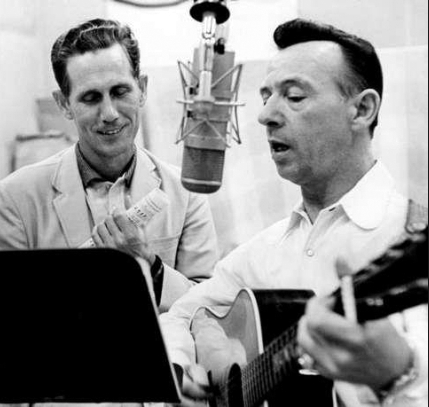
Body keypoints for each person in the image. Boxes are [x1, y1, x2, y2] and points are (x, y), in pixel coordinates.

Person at [160, 18, 428, 406]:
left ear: (362, 109)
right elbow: (178, 316)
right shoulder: (260, 254)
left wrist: (400, 373)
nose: (265, 115)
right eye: (266, 96)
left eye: (294, 96)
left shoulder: (408, 235)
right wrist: (183, 365)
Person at [0, 18, 219, 312]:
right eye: (91, 98)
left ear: (142, 89)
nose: (109, 114)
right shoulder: (14, 201)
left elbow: (208, 308)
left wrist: (150, 264)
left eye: (120, 91)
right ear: (64, 104)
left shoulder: (186, 192)